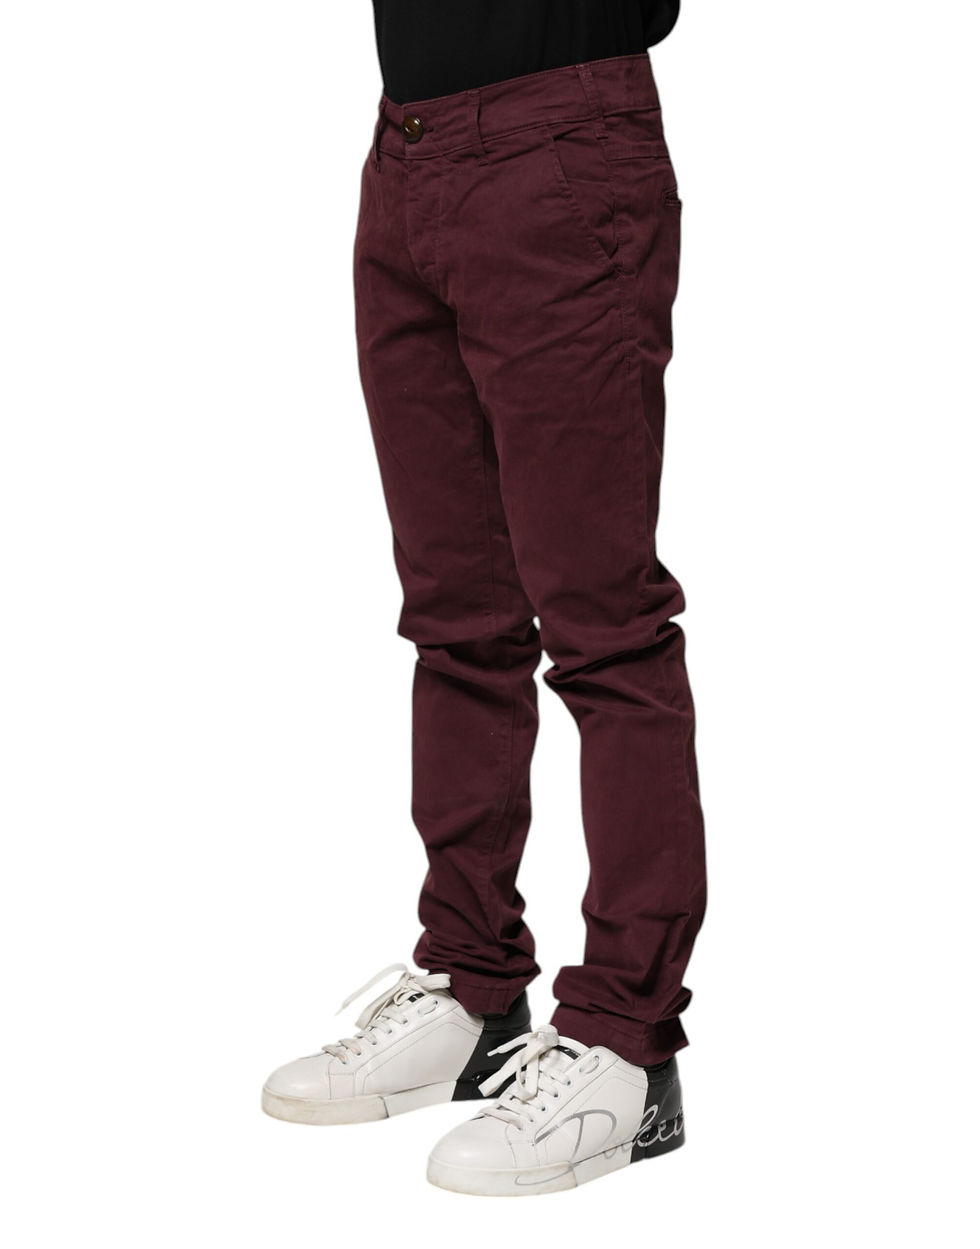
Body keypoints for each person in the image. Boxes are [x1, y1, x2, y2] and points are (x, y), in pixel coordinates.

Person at [262, 0, 707, 1196]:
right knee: (454, 619)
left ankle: (624, 1041)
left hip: (562, 142)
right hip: (404, 149)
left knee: (603, 628)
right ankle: (472, 982)